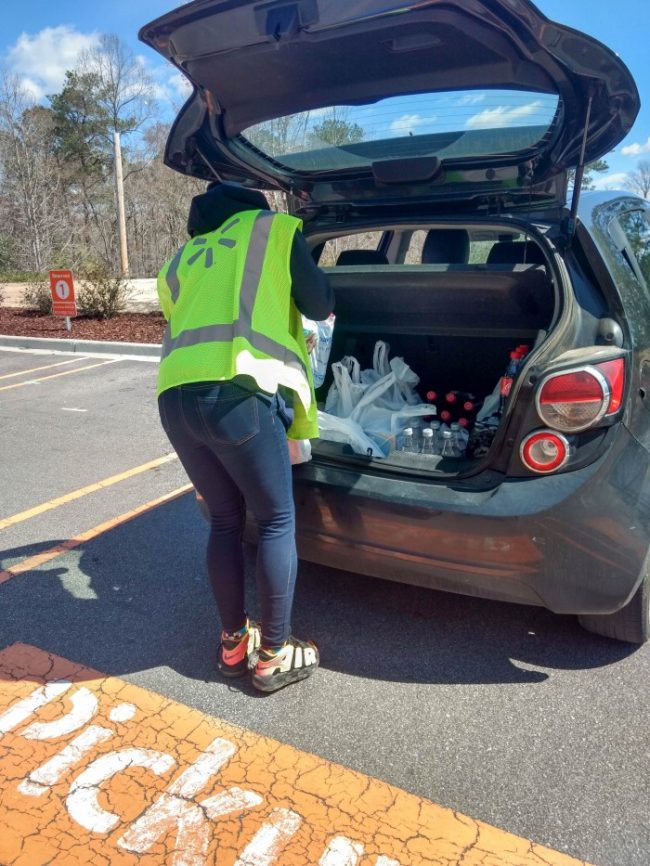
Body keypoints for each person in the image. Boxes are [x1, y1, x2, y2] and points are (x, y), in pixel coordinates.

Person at [156, 181, 333, 693]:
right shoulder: (274, 230)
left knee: (226, 518)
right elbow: (320, 305)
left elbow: (181, 318)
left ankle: (234, 645)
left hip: (175, 399)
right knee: (276, 519)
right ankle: (274, 654)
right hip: (240, 392)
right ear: (253, 205)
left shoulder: (182, 258)